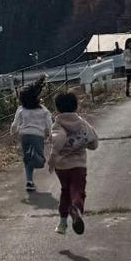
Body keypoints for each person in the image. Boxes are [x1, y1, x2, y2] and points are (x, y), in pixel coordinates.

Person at [47, 89, 99, 235]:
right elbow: (93, 142)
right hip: (79, 165)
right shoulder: (82, 123)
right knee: (77, 191)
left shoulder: (57, 124)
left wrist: (52, 159)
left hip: (61, 167)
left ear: (57, 108)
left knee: (65, 191)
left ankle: (62, 224)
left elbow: (57, 140)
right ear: (76, 106)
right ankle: (76, 208)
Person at [10, 79, 53, 194]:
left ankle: (29, 182)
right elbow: (49, 124)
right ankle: (33, 155)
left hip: (24, 136)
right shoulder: (43, 110)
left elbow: (15, 124)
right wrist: (51, 135)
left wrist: (12, 132)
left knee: (28, 160)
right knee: (40, 162)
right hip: (37, 136)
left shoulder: (20, 109)